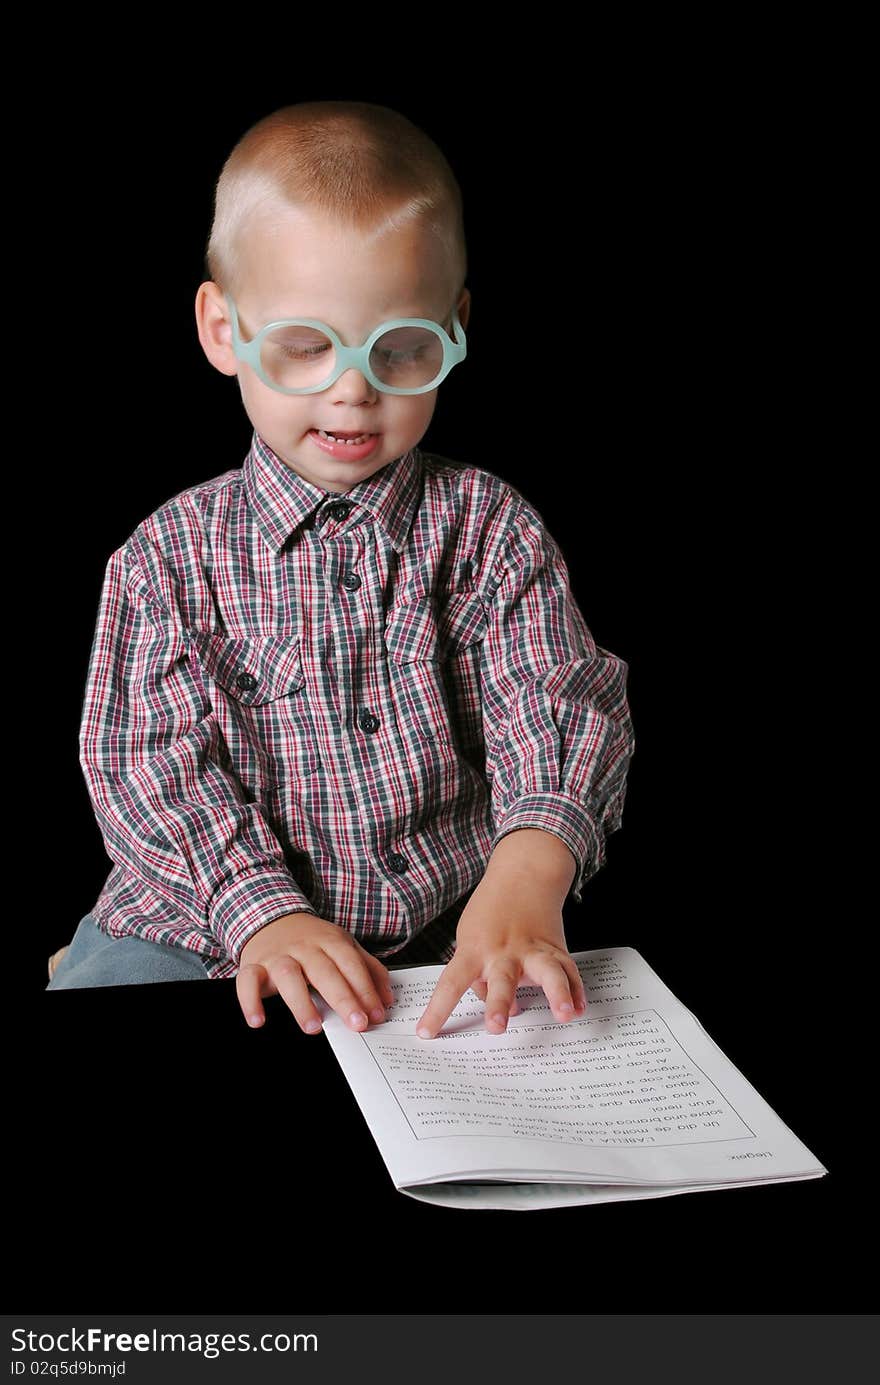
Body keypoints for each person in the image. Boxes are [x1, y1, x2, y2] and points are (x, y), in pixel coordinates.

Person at [47, 100, 636, 1042]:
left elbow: (554, 703)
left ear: (455, 328)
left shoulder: (488, 529)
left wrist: (526, 876)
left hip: (448, 921)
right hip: (206, 923)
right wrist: (263, 914)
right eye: (304, 346)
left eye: (401, 348)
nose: (352, 388)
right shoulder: (167, 558)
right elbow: (147, 764)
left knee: (562, 1023)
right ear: (221, 330)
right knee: (102, 992)